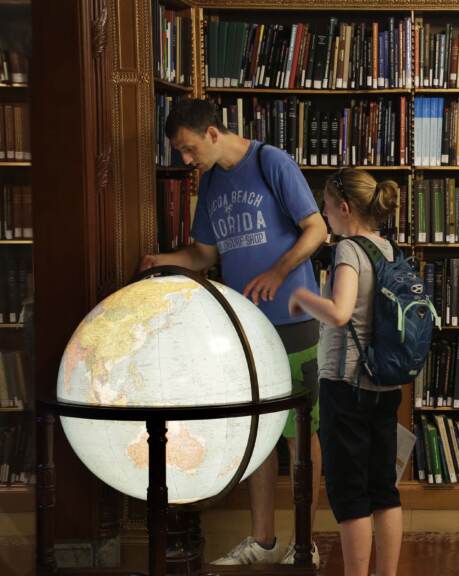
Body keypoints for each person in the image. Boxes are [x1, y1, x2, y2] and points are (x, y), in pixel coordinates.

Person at [140, 98, 324, 567]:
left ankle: (305, 541)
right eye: (179, 152)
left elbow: (316, 229)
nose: (185, 160)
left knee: (300, 434)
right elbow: (204, 257)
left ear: (212, 133)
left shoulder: (271, 162)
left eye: (187, 148)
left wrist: (279, 273)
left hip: (294, 320)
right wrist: (160, 261)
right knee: (258, 433)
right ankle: (262, 541)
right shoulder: (212, 184)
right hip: (247, 326)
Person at [288, 167, 403, 576]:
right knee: (383, 491)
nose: (322, 214)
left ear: (344, 207)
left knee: (351, 494)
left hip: (346, 385)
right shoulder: (387, 248)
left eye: (325, 206)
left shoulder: (349, 250)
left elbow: (338, 312)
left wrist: (303, 298)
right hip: (384, 384)